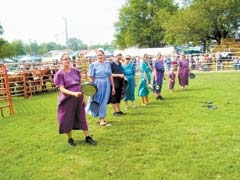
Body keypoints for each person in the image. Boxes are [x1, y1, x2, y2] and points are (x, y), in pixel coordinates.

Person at [53, 52, 96, 147]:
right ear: (61, 61)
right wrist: (73, 94)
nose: (68, 60)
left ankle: (88, 137)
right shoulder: (59, 74)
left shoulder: (75, 71)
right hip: (67, 100)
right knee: (67, 118)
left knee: (82, 117)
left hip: (78, 98)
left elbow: (80, 85)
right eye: (65, 59)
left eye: (69, 58)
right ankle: (70, 139)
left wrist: (83, 97)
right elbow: (62, 89)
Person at [85, 49, 115, 126]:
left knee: (104, 101)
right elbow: (91, 78)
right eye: (98, 55)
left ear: (104, 55)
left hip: (106, 84)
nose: (99, 56)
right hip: (97, 84)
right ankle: (101, 119)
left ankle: (102, 118)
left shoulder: (107, 64)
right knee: (97, 100)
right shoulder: (93, 65)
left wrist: (113, 87)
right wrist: (91, 89)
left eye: (101, 55)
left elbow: (110, 76)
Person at [109, 52, 125, 116]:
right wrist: (119, 75)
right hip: (114, 82)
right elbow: (110, 74)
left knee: (118, 97)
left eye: (120, 57)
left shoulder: (120, 64)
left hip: (120, 82)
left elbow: (121, 72)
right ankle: (115, 112)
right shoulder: (111, 64)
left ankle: (119, 110)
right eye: (118, 57)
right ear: (115, 57)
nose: (119, 58)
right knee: (114, 97)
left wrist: (123, 76)